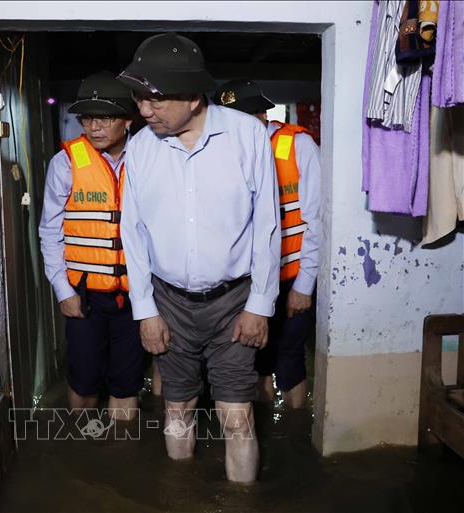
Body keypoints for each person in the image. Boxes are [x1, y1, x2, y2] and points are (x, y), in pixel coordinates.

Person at [118, 33, 281, 483]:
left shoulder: (248, 135)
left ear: (192, 96)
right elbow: (132, 234)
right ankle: (180, 493)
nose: (143, 111)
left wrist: (260, 305)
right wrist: (145, 311)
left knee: (236, 415)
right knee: (178, 406)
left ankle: (242, 501)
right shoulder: (142, 146)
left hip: (235, 301)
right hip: (167, 300)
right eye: (139, 98)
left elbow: (268, 226)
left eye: (155, 100)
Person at [39, 71, 144, 421]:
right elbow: (49, 231)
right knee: (83, 386)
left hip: (137, 294)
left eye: (105, 117)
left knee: (126, 387)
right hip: (84, 295)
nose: (94, 126)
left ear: (127, 120)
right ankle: (83, 452)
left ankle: (119, 467)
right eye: (87, 118)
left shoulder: (148, 160)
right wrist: (62, 291)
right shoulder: (66, 162)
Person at [214, 79, 321, 409]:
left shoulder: (297, 146)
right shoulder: (223, 151)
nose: (240, 125)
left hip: (290, 279)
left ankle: (293, 431)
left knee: (290, 359)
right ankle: (265, 426)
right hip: (245, 284)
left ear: (263, 113)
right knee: (255, 361)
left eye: (248, 115)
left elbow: (317, 221)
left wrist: (304, 285)